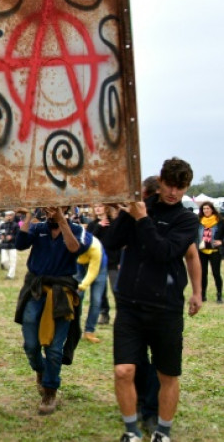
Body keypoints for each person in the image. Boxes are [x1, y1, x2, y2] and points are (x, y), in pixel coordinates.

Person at [103, 157, 202, 442]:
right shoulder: (142, 206)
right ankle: (131, 431)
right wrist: (126, 211)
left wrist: (143, 219)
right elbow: (112, 242)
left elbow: (164, 252)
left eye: (180, 187)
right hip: (131, 305)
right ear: (160, 181)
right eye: (170, 185)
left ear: (186, 188)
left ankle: (163, 432)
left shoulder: (186, 220)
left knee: (167, 374)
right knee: (123, 370)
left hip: (166, 308)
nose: (173, 192)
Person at [13, 205, 91, 415]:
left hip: (61, 293)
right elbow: (19, 244)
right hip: (37, 290)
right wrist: (29, 215)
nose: (49, 210)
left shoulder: (77, 229)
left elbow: (75, 248)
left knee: (54, 348)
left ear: (65, 206)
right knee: (31, 345)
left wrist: (62, 221)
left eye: (54, 207)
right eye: (46, 207)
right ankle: (40, 370)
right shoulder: (38, 229)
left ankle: (50, 390)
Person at [87, 203, 120, 326]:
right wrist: (99, 227)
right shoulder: (92, 225)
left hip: (112, 262)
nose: (97, 208)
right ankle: (104, 314)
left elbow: (120, 242)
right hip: (98, 262)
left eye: (100, 205)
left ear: (106, 207)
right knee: (100, 291)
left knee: (116, 289)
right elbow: (89, 241)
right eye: (95, 206)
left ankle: (120, 314)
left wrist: (120, 261)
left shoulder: (114, 223)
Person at [74, 233, 108, 343]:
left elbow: (93, 272)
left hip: (99, 268)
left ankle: (89, 331)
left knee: (96, 300)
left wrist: (82, 286)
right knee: (76, 297)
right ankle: (74, 328)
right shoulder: (73, 242)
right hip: (80, 264)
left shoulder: (95, 248)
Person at [196, 201, 222, 303]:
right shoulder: (199, 221)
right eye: (204, 209)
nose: (206, 210)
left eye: (208, 208)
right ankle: (203, 295)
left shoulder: (220, 221)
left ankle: (219, 295)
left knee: (216, 273)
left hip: (215, 251)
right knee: (203, 274)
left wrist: (221, 242)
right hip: (202, 251)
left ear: (212, 209)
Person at [0, 210, 19, 278]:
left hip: (13, 246)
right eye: (7, 215)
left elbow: (18, 235)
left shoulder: (16, 225)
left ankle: (10, 275)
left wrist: (12, 237)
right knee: (4, 261)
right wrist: (1, 236)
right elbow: (0, 233)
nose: (9, 217)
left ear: (13, 216)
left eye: (10, 215)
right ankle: (11, 269)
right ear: (5, 216)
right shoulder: (2, 225)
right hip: (4, 245)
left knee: (13, 261)